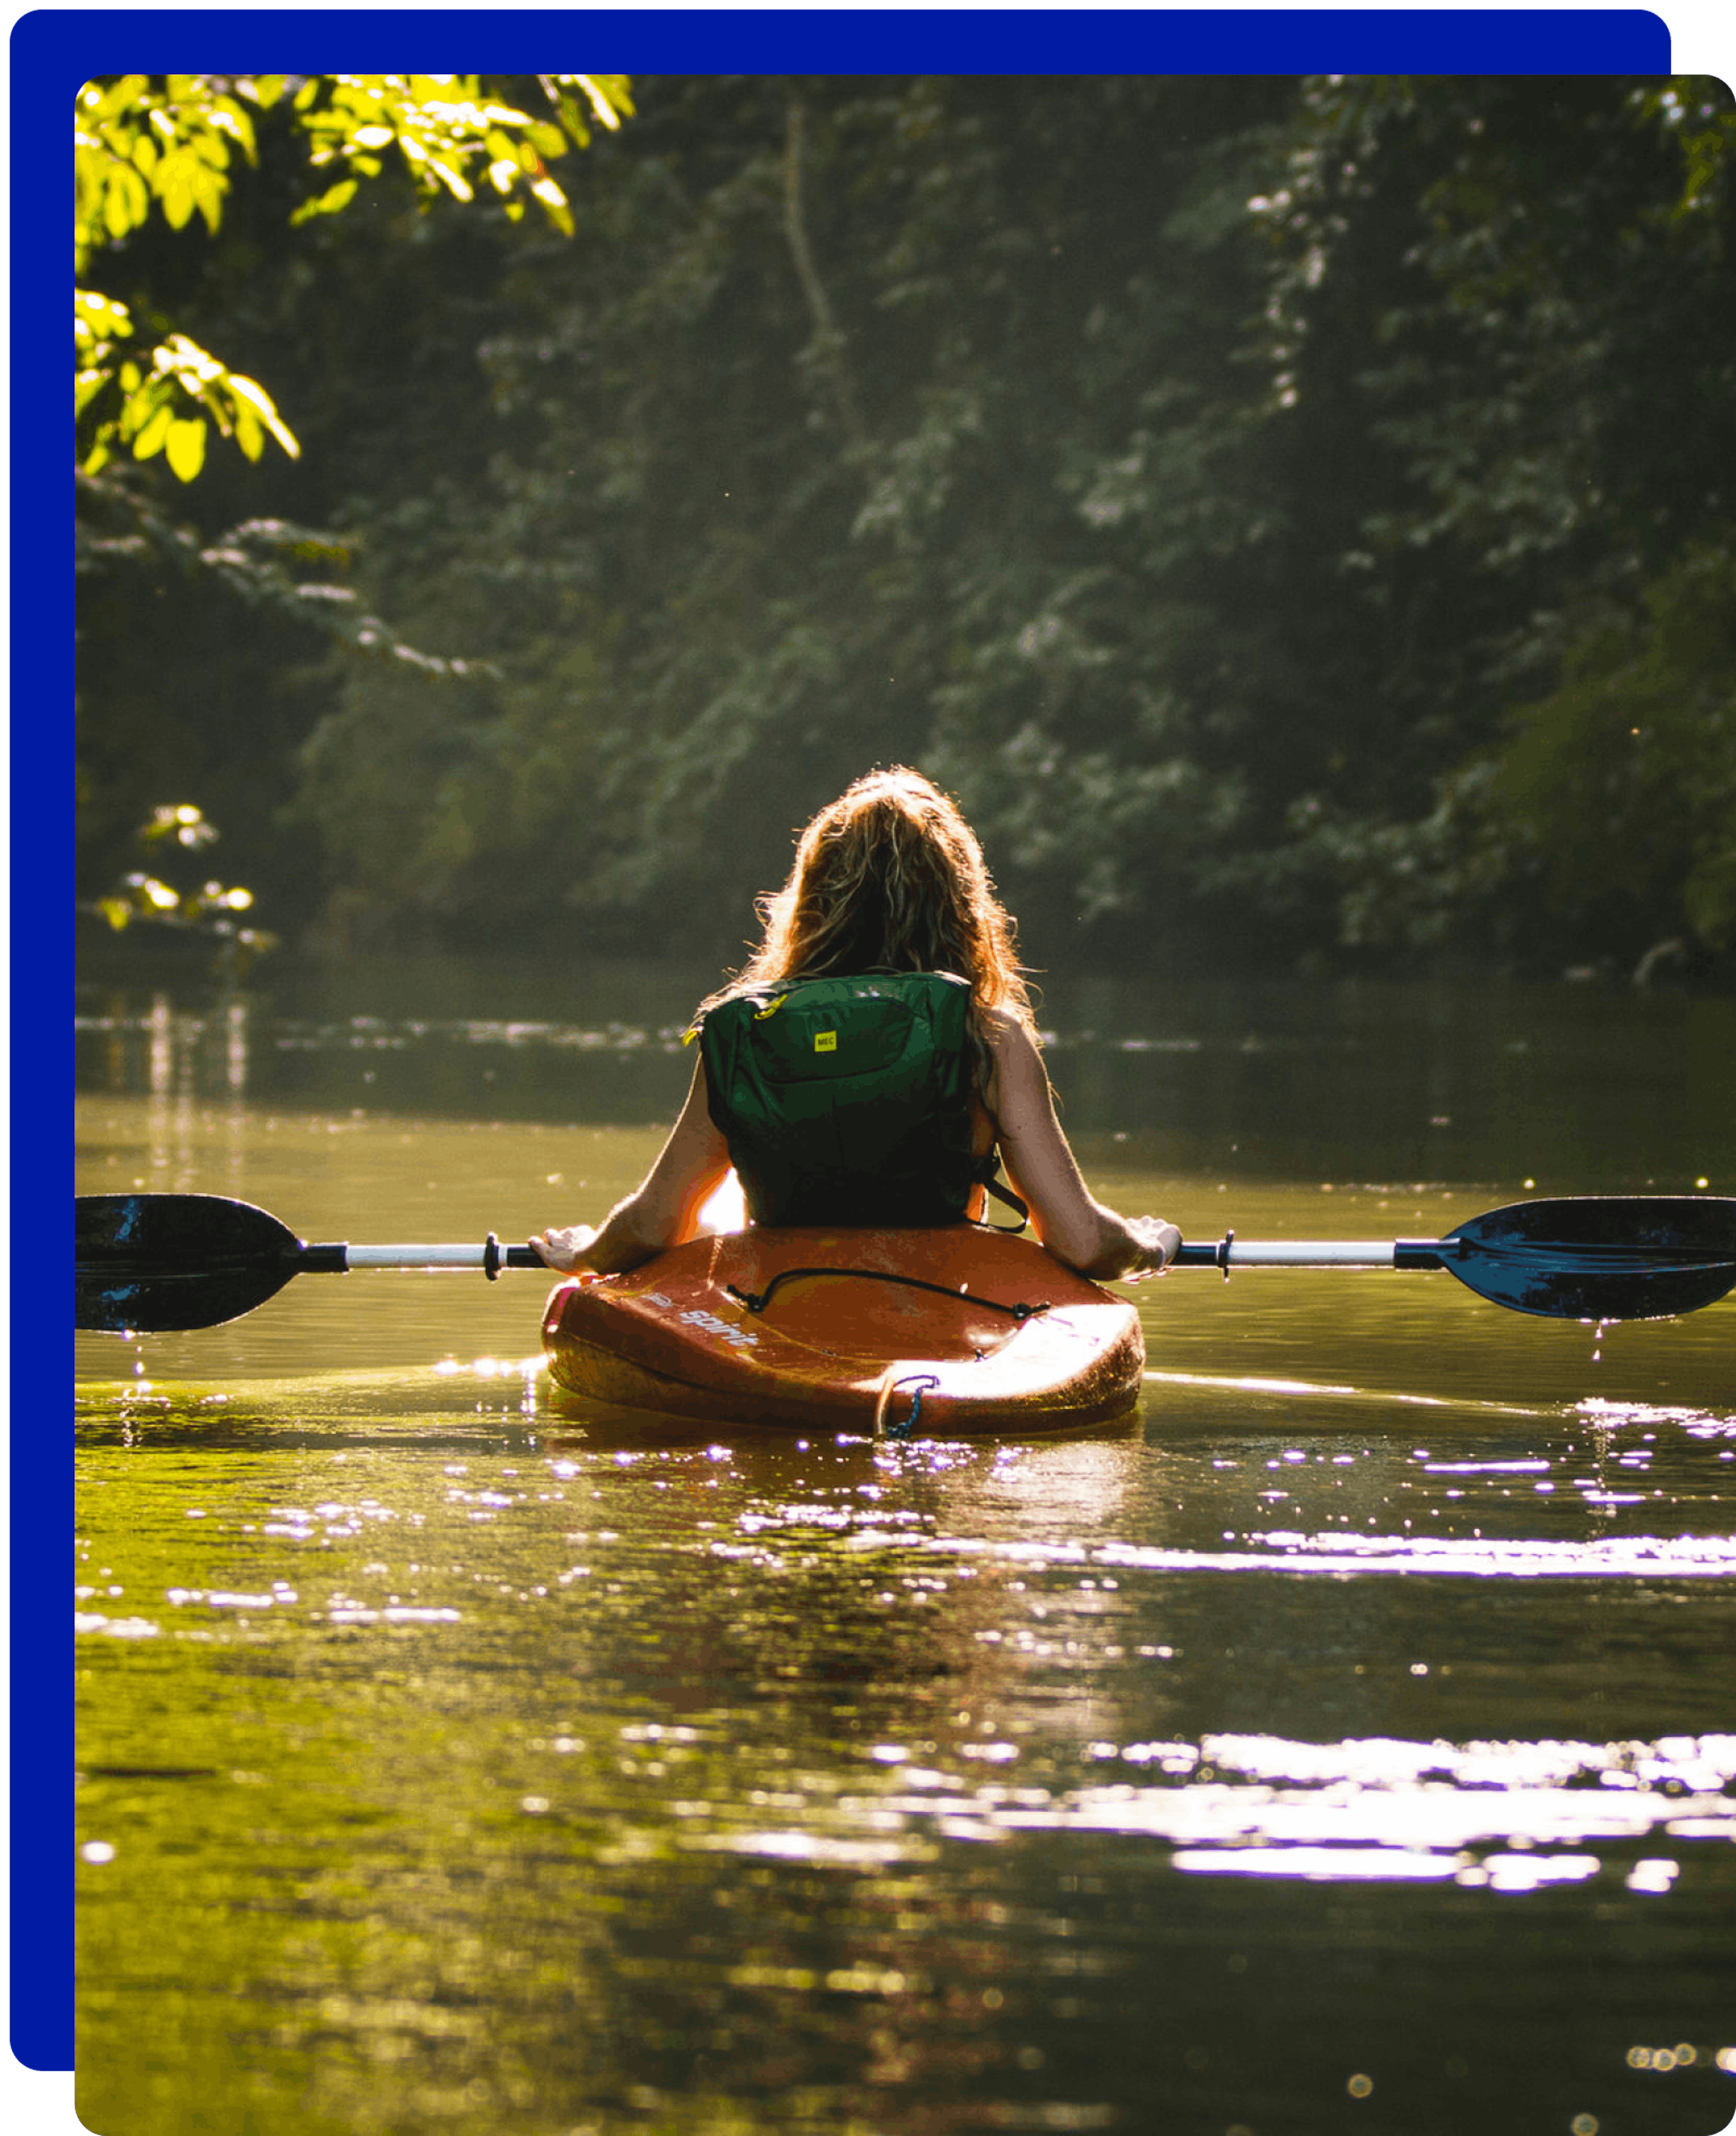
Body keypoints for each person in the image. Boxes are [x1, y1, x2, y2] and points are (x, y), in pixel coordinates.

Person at [531, 767, 1183, 1282]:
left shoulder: (746, 1032)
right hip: (941, 1300)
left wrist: (588, 1251)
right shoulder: (987, 1038)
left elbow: (653, 1227)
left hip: (781, 1298)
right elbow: (1081, 1243)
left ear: (811, 899)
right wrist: (1149, 1246)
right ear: (959, 904)